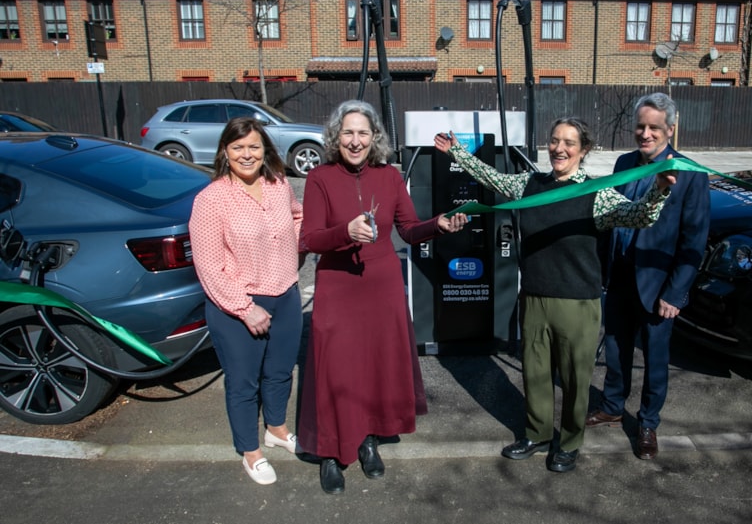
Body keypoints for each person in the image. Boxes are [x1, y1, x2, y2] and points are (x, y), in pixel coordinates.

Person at [434, 118, 674, 473]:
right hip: (533, 298)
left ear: (584, 150)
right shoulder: (530, 184)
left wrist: (659, 190)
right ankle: (537, 433)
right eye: (554, 140)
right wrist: (458, 153)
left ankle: (570, 441)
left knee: (576, 380)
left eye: (569, 143)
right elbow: (493, 179)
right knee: (535, 373)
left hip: (578, 303)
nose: (559, 148)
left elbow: (639, 216)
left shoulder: (598, 193)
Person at [299, 99, 467, 494]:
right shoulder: (320, 177)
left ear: (375, 137)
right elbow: (310, 238)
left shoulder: (390, 177)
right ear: (335, 136)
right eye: (347, 133)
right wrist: (345, 232)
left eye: (363, 133)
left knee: (375, 367)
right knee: (334, 369)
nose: (355, 141)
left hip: (383, 286)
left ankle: (368, 440)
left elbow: (408, 229)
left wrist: (437, 225)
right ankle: (330, 452)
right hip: (338, 287)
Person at [585, 92, 710, 460]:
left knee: (655, 359)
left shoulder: (690, 173)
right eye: (641, 126)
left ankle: (648, 423)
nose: (646, 133)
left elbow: (694, 239)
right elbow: (610, 216)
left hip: (658, 284)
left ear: (670, 129)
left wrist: (676, 293)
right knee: (615, 348)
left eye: (654, 127)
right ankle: (611, 405)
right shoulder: (624, 163)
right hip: (620, 276)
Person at [189, 117, 304, 485]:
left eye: (254, 146)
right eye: (238, 147)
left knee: (280, 372)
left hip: (285, 293)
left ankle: (277, 429)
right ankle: (250, 452)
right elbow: (207, 266)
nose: (247, 154)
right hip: (238, 305)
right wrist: (244, 307)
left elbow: (297, 216)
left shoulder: (278, 183)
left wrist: (293, 254)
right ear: (225, 151)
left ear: (265, 150)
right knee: (243, 383)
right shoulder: (211, 199)